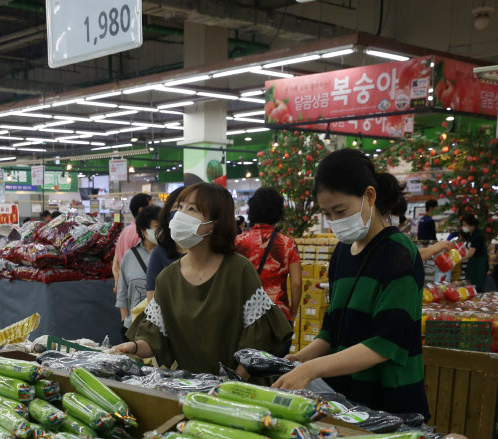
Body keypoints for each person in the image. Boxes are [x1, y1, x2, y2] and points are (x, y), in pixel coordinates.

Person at [274, 148, 429, 420]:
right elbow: (332, 330)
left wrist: (311, 369)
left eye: (340, 210)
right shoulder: (342, 253)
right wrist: (299, 359)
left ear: (369, 196)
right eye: (327, 214)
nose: (335, 221)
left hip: (391, 404)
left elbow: (384, 344)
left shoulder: (398, 254)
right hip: (347, 400)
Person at [115, 182, 292, 376]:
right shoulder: (167, 278)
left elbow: (256, 341)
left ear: (215, 222)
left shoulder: (239, 271)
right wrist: (133, 347)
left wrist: (232, 384)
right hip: (191, 388)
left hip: (238, 389)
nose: (180, 215)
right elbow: (154, 338)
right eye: (180, 207)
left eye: (192, 209)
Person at [236, 187, 302, 324]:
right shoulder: (287, 244)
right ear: (278, 213)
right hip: (278, 316)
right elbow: (296, 283)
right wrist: (293, 312)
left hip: (245, 314)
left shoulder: (239, 242)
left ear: (252, 211)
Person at [116, 203, 162, 335]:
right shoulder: (130, 256)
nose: (161, 231)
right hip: (135, 326)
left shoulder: (169, 255)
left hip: (162, 327)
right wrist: (125, 322)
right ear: (143, 230)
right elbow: (122, 292)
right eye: (157, 227)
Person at [145, 186, 185, 303]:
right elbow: (152, 299)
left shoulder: (207, 253)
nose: (184, 212)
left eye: (192, 208)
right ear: (167, 216)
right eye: (178, 206)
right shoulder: (160, 254)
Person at [112, 193, 153, 287]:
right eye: (151, 208)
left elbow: (116, 262)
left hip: (126, 283)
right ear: (141, 210)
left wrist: (117, 281)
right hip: (139, 285)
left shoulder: (125, 231)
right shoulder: (141, 234)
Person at [461, 213, 488, 292]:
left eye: (465, 224)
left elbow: (470, 253)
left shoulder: (477, 236)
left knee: (476, 288)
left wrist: (457, 261)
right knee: (470, 287)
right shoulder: (471, 235)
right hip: (472, 265)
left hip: (478, 266)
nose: (463, 227)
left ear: (471, 224)